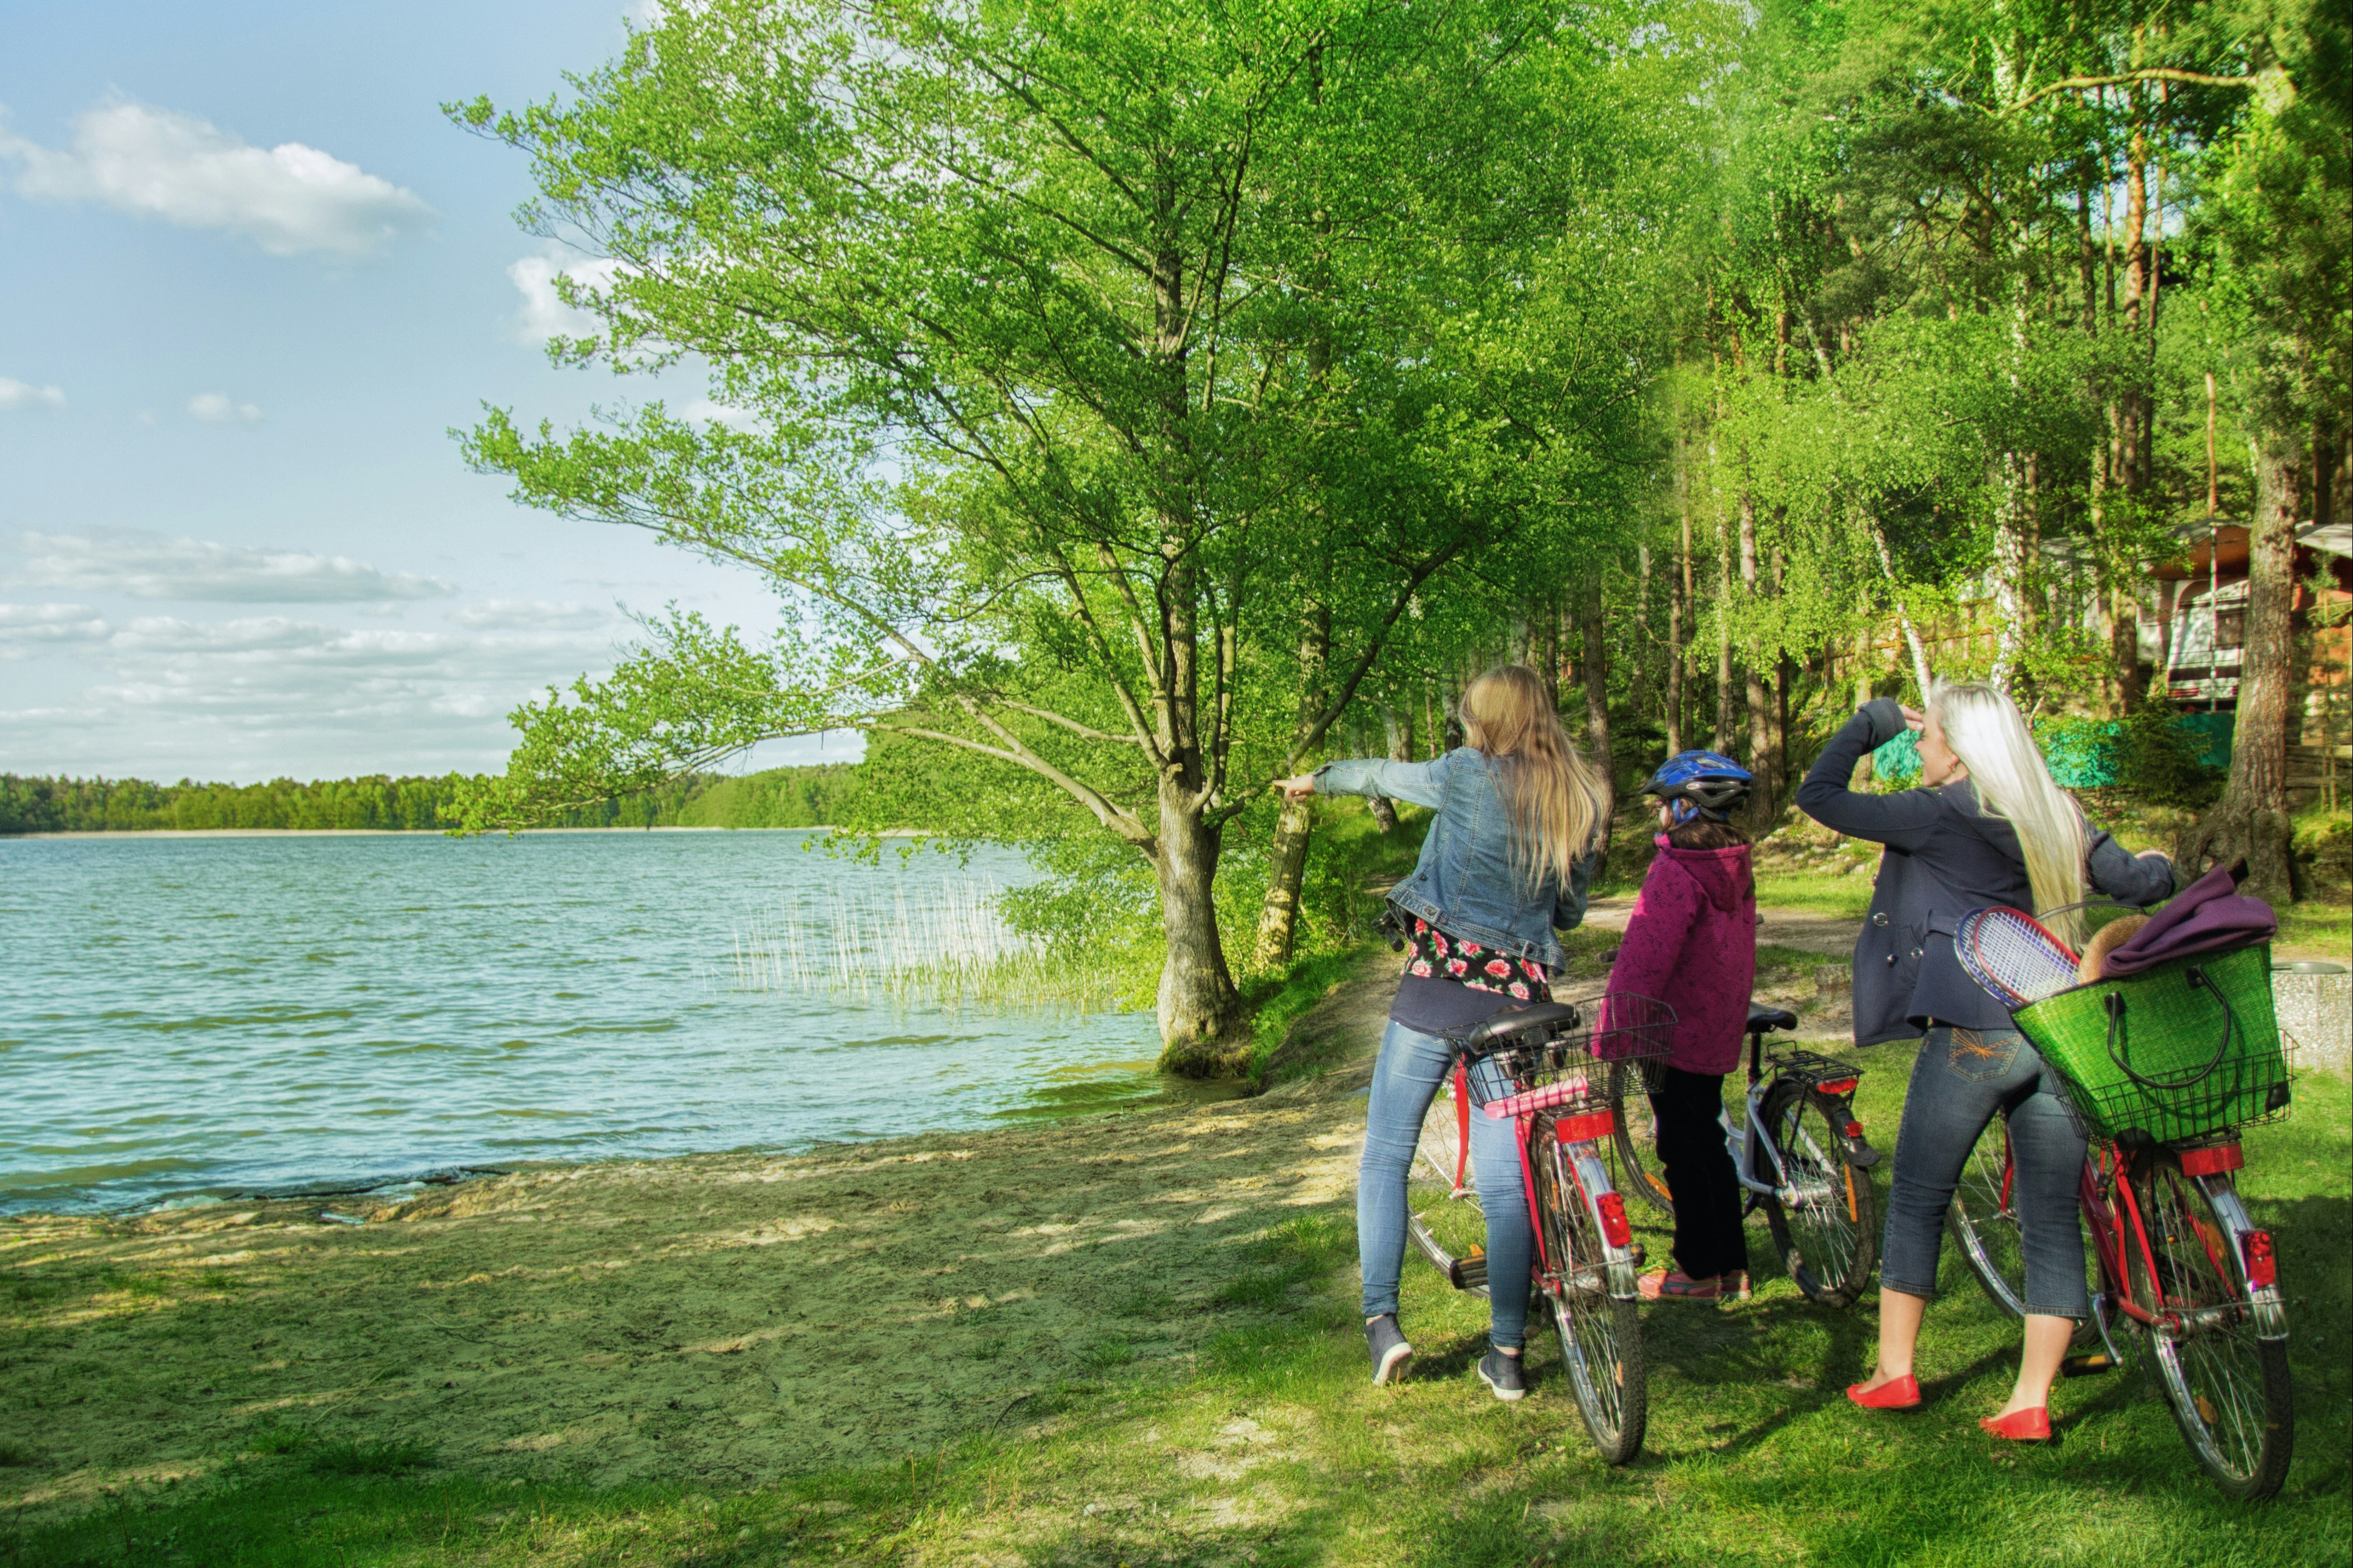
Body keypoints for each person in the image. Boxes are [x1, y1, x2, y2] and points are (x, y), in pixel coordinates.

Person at [1796, 682, 2174, 1441]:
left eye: (1928, 735)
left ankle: (1894, 1372)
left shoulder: (1936, 811)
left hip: (1976, 1024)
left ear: (1961, 750)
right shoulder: (2052, 811)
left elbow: (1819, 795)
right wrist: (2162, 864)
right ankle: (2029, 1401)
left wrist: (1871, 723)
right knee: (2049, 1215)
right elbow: (2138, 883)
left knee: (1916, 1195)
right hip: (2058, 1025)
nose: (1919, 746)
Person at [1275, 664, 1606, 1401]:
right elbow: (1569, 913)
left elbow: (1379, 776)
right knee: (1503, 1182)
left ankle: (1382, 1325)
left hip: (1439, 990)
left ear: (1484, 721)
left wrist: (1314, 781)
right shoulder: (1578, 795)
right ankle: (1507, 1355)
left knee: (1384, 1153)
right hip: (1516, 1005)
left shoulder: (1463, 773)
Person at [1601, 751, 1759, 1303]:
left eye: (1664, 805)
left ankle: (1696, 1269)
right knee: (1708, 1140)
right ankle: (1731, 1265)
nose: (1660, 815)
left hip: (1669, 1032)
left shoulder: (1677, 868)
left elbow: (1645, 959)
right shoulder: (1735, 864)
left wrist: (1613, 1032)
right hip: (1715, 1026)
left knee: (1681, 1147)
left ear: (1685, 807)